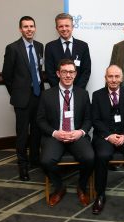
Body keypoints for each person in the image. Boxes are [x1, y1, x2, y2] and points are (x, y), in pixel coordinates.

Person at [37, 59, 94, 208]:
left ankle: (81, 187)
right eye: (64, 72)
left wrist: (80, 132)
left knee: (90, 158)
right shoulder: (47, 95)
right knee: (46, 160)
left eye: (71, 72)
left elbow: (89, 119)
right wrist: (55, 133)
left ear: (75, 74)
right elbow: (40, 120)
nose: (68, 75)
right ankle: (59, 187)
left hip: (76, 135)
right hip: (56, 136)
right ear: (58, 74)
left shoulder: (83, 94)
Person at [91, 65, 124, 215]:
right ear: (105, 78)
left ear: (122, 78)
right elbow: (95, 120)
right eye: (110, 76)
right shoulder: (97, 95)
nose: (113, 80)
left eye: (116, 76)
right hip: (105, 136)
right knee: (102, 156)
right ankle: (100, 195)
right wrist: (109, 135)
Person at [2, 16, 44, 181]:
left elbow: (38, 70)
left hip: (38, 96)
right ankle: (23, 165)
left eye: (32, 26)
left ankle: (35, 160)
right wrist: (16, 93)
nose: (29, 29)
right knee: (22, 134)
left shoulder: (40, 46)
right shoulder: (13, 48)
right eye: (25, 27)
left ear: (35, 28)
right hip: (22, 99)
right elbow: (6, 76)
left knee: (36, 131)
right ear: (20, 29)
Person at [45, 13, 91, 89]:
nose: (64, 29)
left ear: (72, 27)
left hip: (78, 93)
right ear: (57, 28)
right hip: (57, 93)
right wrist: (60, 90)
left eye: (67, 26)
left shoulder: (83, 46)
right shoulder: (50, 47)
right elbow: (50, 73)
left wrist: (76, 90)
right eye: (61, 26)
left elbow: (86, 71)